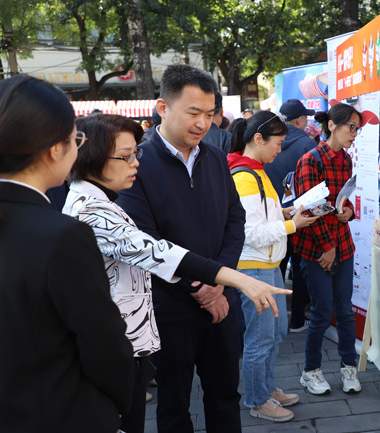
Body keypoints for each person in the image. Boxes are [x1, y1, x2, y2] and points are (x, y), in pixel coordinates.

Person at [63, 114, 288, 432]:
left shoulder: (100, 200)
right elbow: (156, 252)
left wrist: (221, 282)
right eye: (125, 156)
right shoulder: (92, 209)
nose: (135, 164)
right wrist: (234, 278)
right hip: (118, 343)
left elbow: (233, 221)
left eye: (135, 154)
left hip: (127, 341)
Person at [0, 76, 134, 432]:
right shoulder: (62, 236)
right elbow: (105, 347)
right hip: (57, 413)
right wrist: (114, 404)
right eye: (75, 139)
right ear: (55, 148)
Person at [116, 64, 254, 433]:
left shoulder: (214, 158)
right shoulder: (137, 165)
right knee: (173, 404)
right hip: (169, 308)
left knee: (226, 395)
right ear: (163, 108)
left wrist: (219, 282)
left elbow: (234, 222)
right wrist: (201, 289)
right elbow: (144, 242)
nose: (202, 123)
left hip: (222, 301)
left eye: (209, 114)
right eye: (193, 112)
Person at [228, 111, 318, 422]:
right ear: (257, 139)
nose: (280, 150)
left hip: (268, 264)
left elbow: (264, 217)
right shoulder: (245, 176)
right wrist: (293, 224)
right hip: (254, 266)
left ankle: (265, 389)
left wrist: (288, 212)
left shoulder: (257, 171)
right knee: (261, 337)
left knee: (275, 332)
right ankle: (258, 399)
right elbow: (251, 234)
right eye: (278, 143)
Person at [295, 103, 362, 395]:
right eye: (351, 127)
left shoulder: (346, 159)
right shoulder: (310, 160)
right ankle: (311, 371)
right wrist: (327, 247)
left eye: (357, 129)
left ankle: (349, 367)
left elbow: (341, 200)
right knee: (322, 312)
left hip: (341, 245)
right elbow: (310, 209)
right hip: (316, 247)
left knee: (345, 312)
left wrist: (349, 212)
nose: (354, 134)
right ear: (332, 125)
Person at [265, 99, 317, 332]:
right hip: (297, 214)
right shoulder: (307, 143)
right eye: (306, 117)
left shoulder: (270, 141)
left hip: (271, 213)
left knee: (275, 267)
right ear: (300, 120)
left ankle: (272, 321)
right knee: (299, 268)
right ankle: (296, 319)